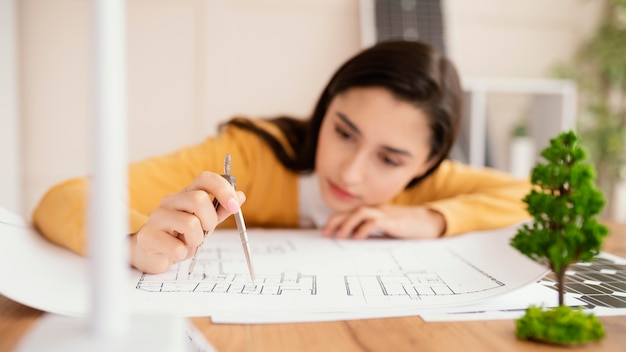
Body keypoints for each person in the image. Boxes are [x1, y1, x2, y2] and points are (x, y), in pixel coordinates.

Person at [33, 40, 531, 275]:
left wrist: (431, 217)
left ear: (426, 164)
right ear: (324, 106)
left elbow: (550, 193)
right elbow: (66, 197)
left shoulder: (427, 187)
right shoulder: (250, 155)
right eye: (343, 131)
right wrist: (131, 241)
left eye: (390, 160)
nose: (351, 171)